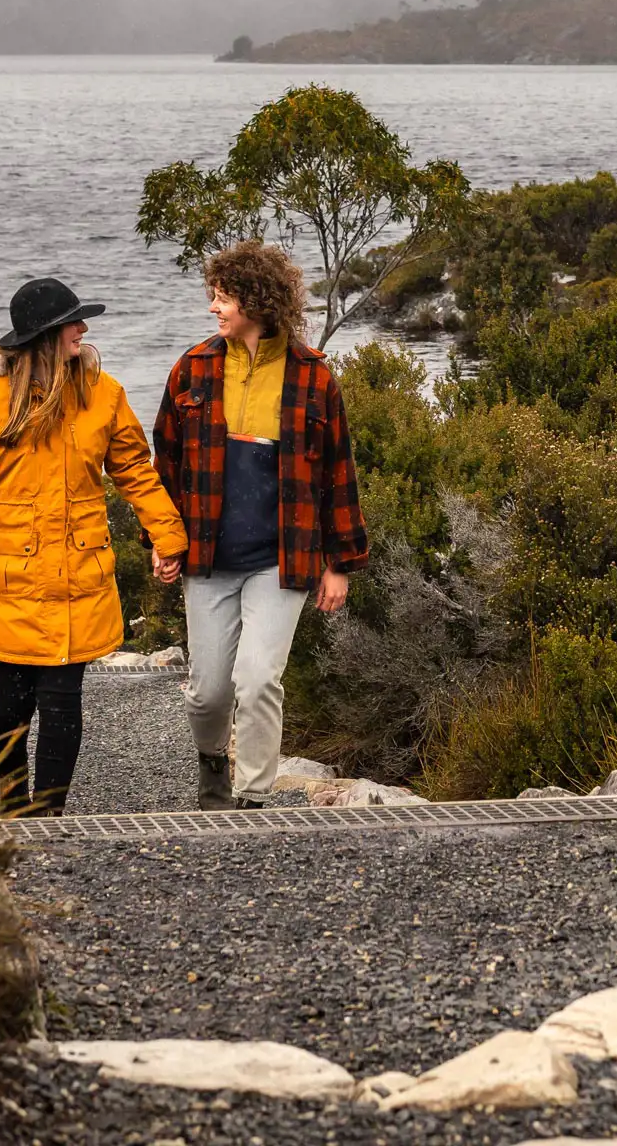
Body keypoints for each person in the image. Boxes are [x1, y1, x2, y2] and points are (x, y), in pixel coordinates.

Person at [0, 276, 187, 817]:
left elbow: (136, 473)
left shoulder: (104, 394)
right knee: (5, 709)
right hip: (5, 581)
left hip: (78, 579)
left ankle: (48, 811)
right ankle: (13, 805)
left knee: (61, 705)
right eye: (73, 322)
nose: (83, 330)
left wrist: (168, 536)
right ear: (46, 335)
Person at [153, 241, 367, 808]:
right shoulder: (192, 368)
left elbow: (337, 473)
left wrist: (339, 564)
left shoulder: (313, 377)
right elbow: (166, 466)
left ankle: (250, 799)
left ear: (255, 298)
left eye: (222, 298)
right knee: (208, 693)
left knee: (258, 681)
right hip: (207, 560)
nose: (213, 308)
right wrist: (164, 540)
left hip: (281, 559)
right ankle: (211, 763)